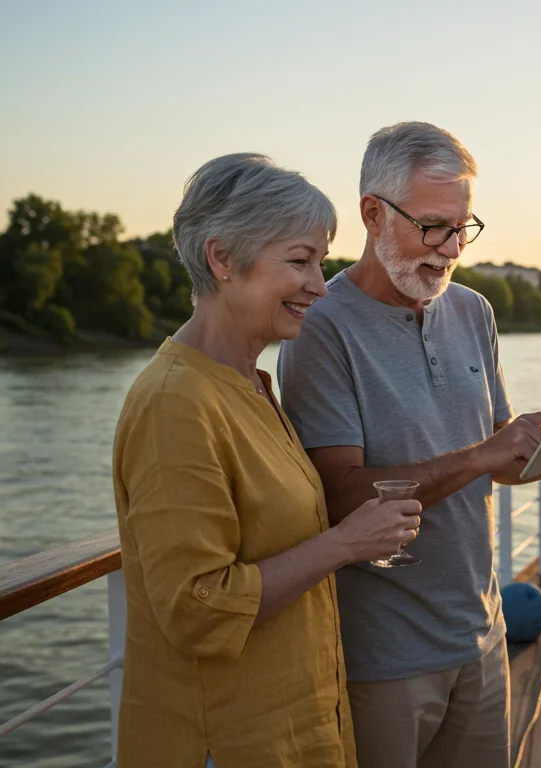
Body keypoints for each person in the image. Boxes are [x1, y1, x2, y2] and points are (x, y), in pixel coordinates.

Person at [277, 121, 541, 768]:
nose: (451, 247)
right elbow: (341, 493)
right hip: (380, 661)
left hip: (483, 636)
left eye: (463, 227)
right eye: (432, 225)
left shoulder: (473, 311)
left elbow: (500, 456)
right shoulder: (320, 327)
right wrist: (480, 457)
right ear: (372, 214)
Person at [112, 154, 423, 768]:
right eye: (299, 260)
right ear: (222, 259)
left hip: (291, 733)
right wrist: (344, 543)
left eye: (322, 261)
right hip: (223, 743)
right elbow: (198, 607)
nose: (320, 284)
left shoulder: (251, 384)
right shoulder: (177, 402)